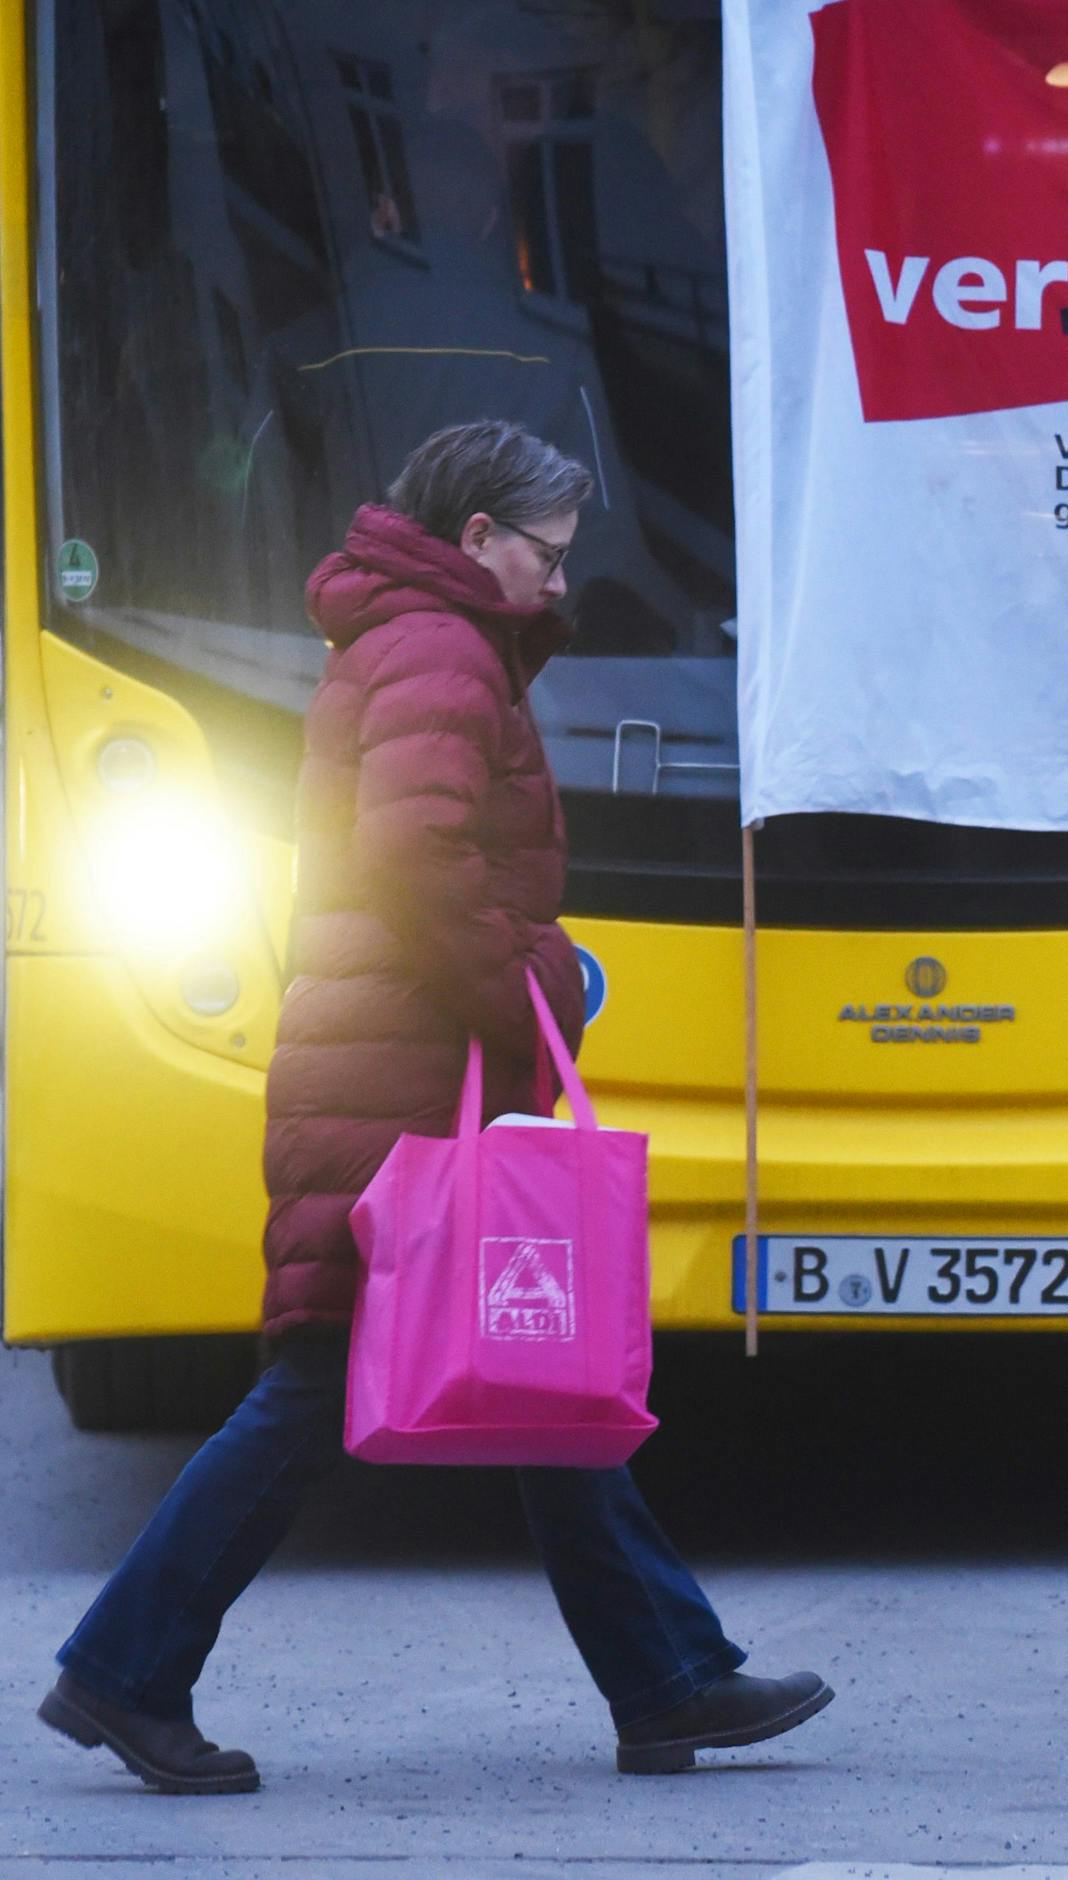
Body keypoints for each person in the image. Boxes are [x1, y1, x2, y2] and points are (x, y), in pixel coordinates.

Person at [37, 421, 832, 1794]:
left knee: (538, 1373)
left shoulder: (417, 636)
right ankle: (123, 1671)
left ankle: (667, 1682)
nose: (557, 586)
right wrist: (547, 984)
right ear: (477, 540)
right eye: (546, 555)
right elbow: (414, 855)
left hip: (389, 1059)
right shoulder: (441, 648)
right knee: (315, 1390)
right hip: (400, 1076)